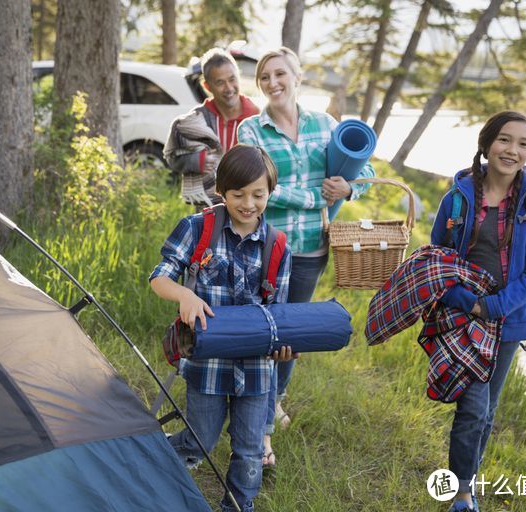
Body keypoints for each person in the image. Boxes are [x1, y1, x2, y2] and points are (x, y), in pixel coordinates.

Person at [237, 47, 374, 459]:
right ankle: (254, 414)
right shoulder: (251, 130)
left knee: (292, 332)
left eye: (281, 74)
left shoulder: (324, 123)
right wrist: (317, 197)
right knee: (264, 328)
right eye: (265, 77)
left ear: (297, 77)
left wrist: (350, 189)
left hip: (311, 249)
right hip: (266, 248)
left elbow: (363, 169)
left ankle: (275, 396)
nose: (273, 83)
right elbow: (261, 187)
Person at [150, 144, 293, 512]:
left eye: (258, 194)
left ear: (269, 193)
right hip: (207, 365)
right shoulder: (198, 228)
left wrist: (283, 345)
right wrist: (183, 294)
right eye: (238, 194)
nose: (248, 203)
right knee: (200, 441)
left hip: (257, 369)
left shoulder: (278, 246)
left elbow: (280, 314)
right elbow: (159, 277)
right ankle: (150, 460)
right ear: (221, 191)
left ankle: (238, 506)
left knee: (248, 452)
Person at [430, 111, 526, 511]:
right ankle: (462, 495)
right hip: (463, 317)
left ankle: (467, 482)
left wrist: (495, 305)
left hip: (511, 317)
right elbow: (438, 257)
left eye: (523, 144)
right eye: (505, 140)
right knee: (472, 408)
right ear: (486, 144)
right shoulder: (459, 196)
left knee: (487, 411)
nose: (513, 150)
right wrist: (467, 302)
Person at [164, 48, 260, 210]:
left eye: (232, 79)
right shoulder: (195, 121)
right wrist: (195, 161)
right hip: (208, 208)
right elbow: (171, 157)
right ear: (207, 86)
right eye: (220, 82)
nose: (229, 88)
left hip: (248, 208)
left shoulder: (257, 117)